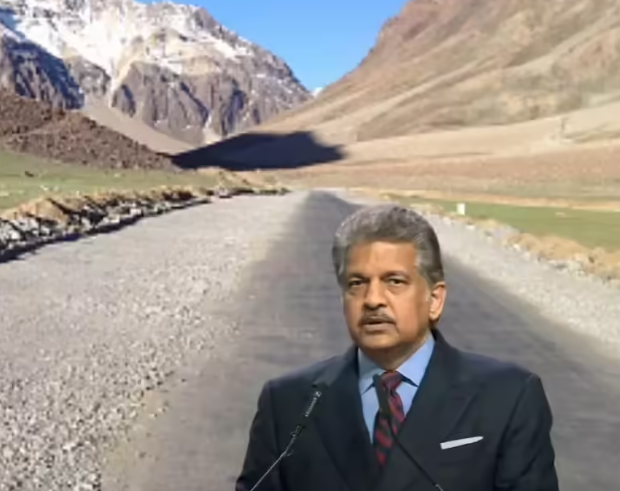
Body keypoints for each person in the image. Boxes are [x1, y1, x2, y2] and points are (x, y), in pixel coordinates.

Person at [234, 203, 559, 491]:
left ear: (434, 299)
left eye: (394, 281)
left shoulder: (508, 397)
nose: (373, 300)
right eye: (357, 284)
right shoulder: (288, 403)